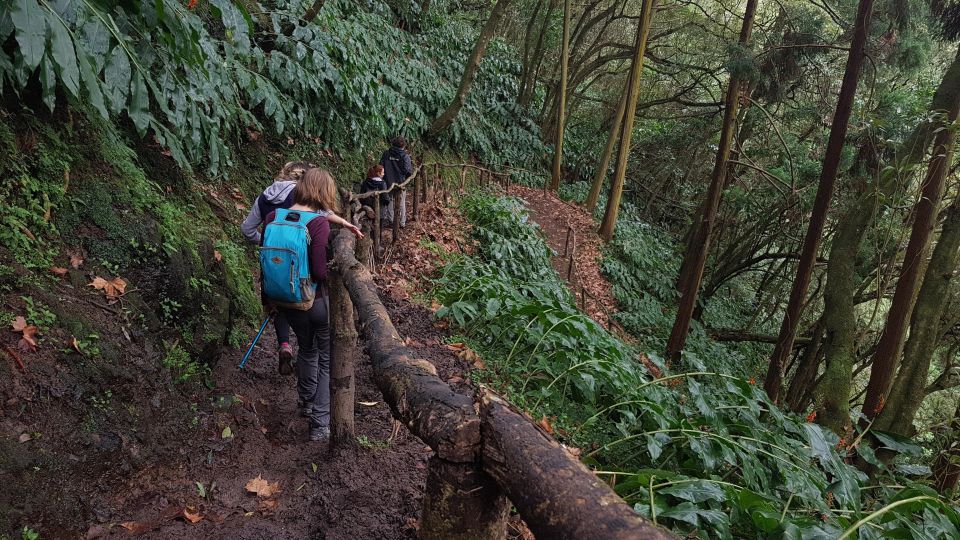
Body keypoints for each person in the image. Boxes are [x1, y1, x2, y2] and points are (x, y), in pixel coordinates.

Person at [242, 161, 361, 375]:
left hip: (274, 277)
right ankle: (318, 406)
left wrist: (270, 245)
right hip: (306, 287)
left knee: (283, 305)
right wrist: (343, 223)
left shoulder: (265, 198)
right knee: (318, 350)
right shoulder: (301, 199)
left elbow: (247, 228)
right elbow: (319, 215)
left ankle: (284, 344)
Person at [262, 168, 337, 441]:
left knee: (306, 348)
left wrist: (267, 302)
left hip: (285, 301)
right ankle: (320, 423)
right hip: (315, 301)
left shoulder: (273, 217)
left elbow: (266, 264)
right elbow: (318, 271)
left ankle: (306, 402)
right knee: (327, 359)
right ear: (323, 191)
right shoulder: (318, 224)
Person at [380, 136, 413, 228]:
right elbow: (408, 171)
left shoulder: (386, 154)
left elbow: (381, 166)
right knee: (401, 202)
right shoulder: (405, 156)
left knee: (390, 200)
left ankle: (391, 220)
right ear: (404, 145)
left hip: (388, 182)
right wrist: (405, 178)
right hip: (401, 183)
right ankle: (402, 223)